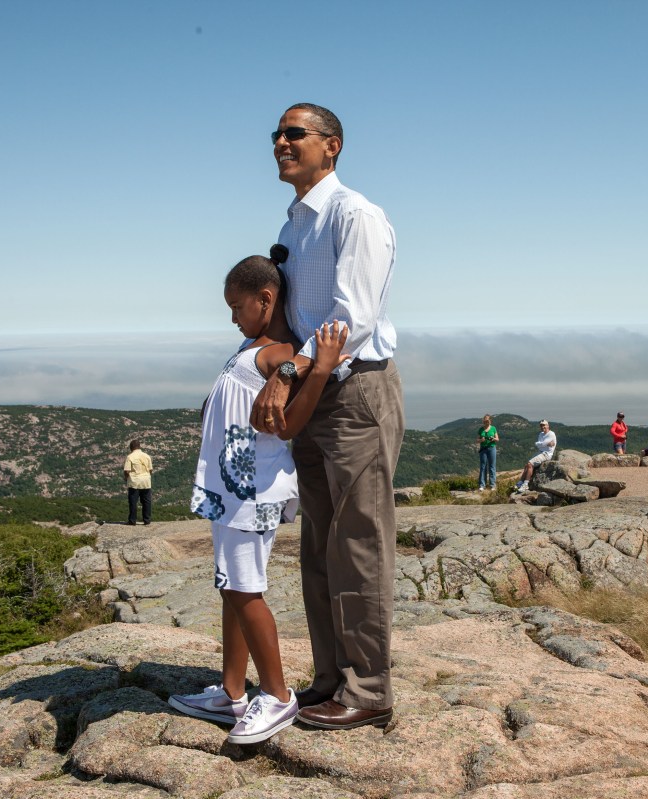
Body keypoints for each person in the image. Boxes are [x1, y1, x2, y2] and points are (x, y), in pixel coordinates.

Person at [250, 103, 404, 731]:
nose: (282, 143)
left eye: (296, 134)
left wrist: (289, 375)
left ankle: (368, 691)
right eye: (277, 135)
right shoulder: (298, 221)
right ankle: (329, 678)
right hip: (314, 391)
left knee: (358, 542)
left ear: (331, 146)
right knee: (319, 542)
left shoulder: (353, 214)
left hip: (354, 392)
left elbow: (352, 317)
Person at [169, 248, 350, 745]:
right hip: (232, 491)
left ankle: (276, 694)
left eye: (236, 306)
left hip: (249, 493)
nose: (232, 317)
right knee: (234, 587)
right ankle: (231, 691)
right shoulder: (254, 347)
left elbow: (288, 423)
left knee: (245, 591)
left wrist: (316, 369)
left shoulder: (277, 353)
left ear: (264, 299)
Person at [516, 420, 557, 491]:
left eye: (544, 425)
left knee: (530, 464)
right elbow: (539, 445)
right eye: (541, 425)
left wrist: (541, 444)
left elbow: (541, 444)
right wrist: (544, 444)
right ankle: (520, 483)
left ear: (548, 426)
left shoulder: (551, 434)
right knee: (527, 465)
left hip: (546, 454)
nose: (543, 427)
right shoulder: (541, 434)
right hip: (540, 452)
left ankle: (525, 484)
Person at [123, 440, 153, 525]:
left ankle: (132, 521)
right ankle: (147, 520)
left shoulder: (130, 457)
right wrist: (146, 476)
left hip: (134, 482)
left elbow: (127, 470)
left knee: (133, 502)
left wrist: (126, 478)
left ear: (131, 447)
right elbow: (150, 469)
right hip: (146, 481)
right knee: (146, 501)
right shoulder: (147, 456)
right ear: (139, 446)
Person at [477, 414, 499, 490]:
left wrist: (493, 439)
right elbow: (477, 440)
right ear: (483, 421)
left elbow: (497, 439)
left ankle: (492, 485)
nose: (486, 422)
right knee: (483, 466)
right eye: (485, 420)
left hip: (491, 448)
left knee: (492, 466)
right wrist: (481, 440)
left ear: (490, 421)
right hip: (483, 449)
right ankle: (482, 485)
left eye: (488, 420)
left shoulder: (493, 428)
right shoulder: (481, 429)